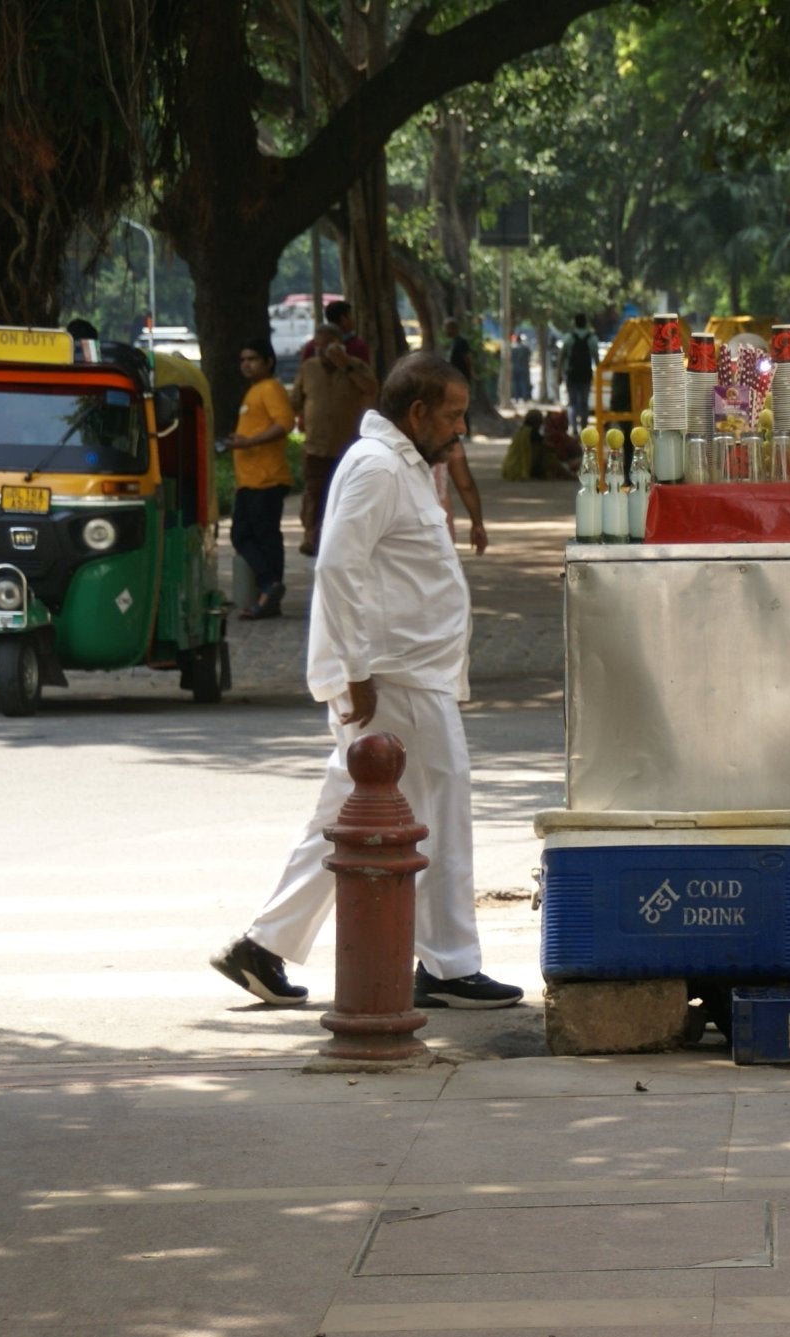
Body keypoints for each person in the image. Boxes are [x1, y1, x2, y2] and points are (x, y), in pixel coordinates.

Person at [210, 352, 522, 1011]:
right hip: (392, 675)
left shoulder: (400, 464)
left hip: (404, 672)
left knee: (346, 812)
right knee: (443, 804)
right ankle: (447, 963)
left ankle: (263, 946)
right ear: (417, 414)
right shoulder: (379, 467)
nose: (461, 429)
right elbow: (338, 569)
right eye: (454, 415)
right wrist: (352, 672)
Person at [289, 323, 377, 557]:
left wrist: (345, 365)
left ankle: (342, 539)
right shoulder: (309, 368)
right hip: (316, 445)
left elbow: (370, 388)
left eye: (327, 344)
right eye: (318, 344)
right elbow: (295, 400)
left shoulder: (356, 367)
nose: (322, 349)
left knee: (346, 495)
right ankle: (312, 537)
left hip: (347, 447)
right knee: (315, 492)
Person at [223, 339, 296, 620]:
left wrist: (249, 442)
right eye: (243, 360)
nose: (246, 365)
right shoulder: (254, 391)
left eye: (253, 359)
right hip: (250, 480)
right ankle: (269, 592)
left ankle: (269, 588)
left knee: (255, 536)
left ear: (268, 361)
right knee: (249, 535)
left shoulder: (270, 388)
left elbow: (285, 423)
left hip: (266, 479)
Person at [301, 299, 372, 367]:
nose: (353, 319)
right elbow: (365, 373)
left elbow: (304, 372)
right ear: (343, 319)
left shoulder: (311, 346)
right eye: (350, 315)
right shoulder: (357, 346)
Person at [560, 313, 597, 433]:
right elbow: (596, 358)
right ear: (585, 323)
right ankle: (584, 429)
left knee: (572, 403)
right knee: (584, 403)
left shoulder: (568, 338)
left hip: (571, 375)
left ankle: (574, 429)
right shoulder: (591, 339)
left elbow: (562, 357)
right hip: (586, 375)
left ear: (574, 323)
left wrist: (559, 374)